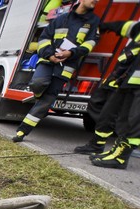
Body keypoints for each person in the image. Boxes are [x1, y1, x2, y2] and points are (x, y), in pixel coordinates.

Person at [12, 0, 100, 142]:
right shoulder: (62, 18)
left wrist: (71, 53)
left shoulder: (93, 21)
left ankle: (22, 131)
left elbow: (90, 43)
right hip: (48, 60)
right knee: (37, 83)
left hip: (67, 66)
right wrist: (50, 55)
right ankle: (38, 95)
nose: (95, 1)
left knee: (47, 100)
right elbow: (44, 38)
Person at [75, 19, 140, 169]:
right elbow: (126, 27)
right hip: (128, 78)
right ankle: (102, 146)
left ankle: (121, 157)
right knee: (118, 114)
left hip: (132, 80)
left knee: (133, 120)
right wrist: (103, 25)